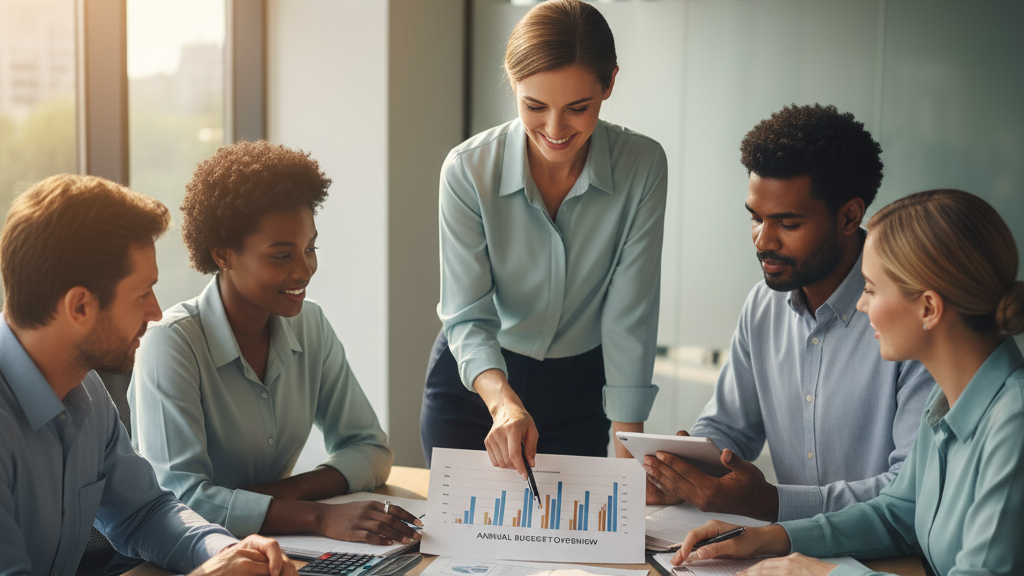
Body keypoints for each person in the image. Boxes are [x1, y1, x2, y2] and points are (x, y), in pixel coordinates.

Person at [671, 189, 1024, 576]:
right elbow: (897, 513)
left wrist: (822, 573)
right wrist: (772, 538)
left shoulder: (1013, 424)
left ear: (928, 307)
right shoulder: (944, 401)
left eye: (870, 289)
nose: (859, 305)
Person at [643, 104, 934, 522]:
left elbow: (910, 488)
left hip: (885, 556)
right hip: (788, 550)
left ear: (849, 216)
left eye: (787, 223)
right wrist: (686, 471)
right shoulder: (762, 304)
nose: (763, 240)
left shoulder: (911, 315)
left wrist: (773, 503)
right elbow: (730, 428)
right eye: (755, 218)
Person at [0, 174, 295, 576]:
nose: (156, 312)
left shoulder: (84, 387)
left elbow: (144, 511)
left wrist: (229, 552)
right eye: (143, 293)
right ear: (80, 307)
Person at [129, 141, 421, 545]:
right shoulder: (172, 344)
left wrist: (292, 492)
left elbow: (369, 447)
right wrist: (317, 516)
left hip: (275, 547)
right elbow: (181, 502)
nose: (305, 270)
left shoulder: (310, 324)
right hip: (180, 559)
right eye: (281, 256)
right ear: (224, 255)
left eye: (310, 248)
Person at [420, 0, 667, 476]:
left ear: (609, 83)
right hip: (478, 382)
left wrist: (627, 452)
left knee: (573, 540)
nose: (555, 130)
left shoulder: (643, 166)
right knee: (463, 544)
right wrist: (503, 403)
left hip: (581, 389)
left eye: (579, 108)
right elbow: (467, 314)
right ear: (513, 84)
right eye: (535, 106)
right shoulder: (468, 170)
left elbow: (629, 315)